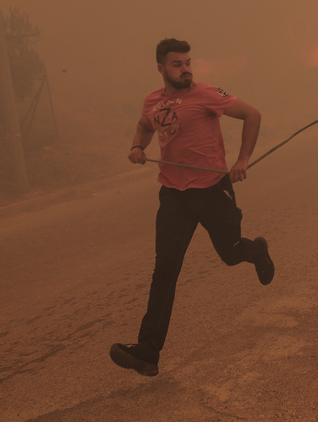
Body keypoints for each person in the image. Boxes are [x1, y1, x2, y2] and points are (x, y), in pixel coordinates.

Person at [110, 37, 274, 377]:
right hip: (174, 195)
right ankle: (148, 351)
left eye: (187, 62)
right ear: (161, 68)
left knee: (230, 253)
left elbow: (252, 115)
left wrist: (243, 159)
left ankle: (256, 251)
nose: (185, 69)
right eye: (177, 64)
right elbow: (144, 126)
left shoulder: (206, 93)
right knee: (165, 270)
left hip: (213, 190)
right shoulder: (152, 102)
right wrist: (137, 146)